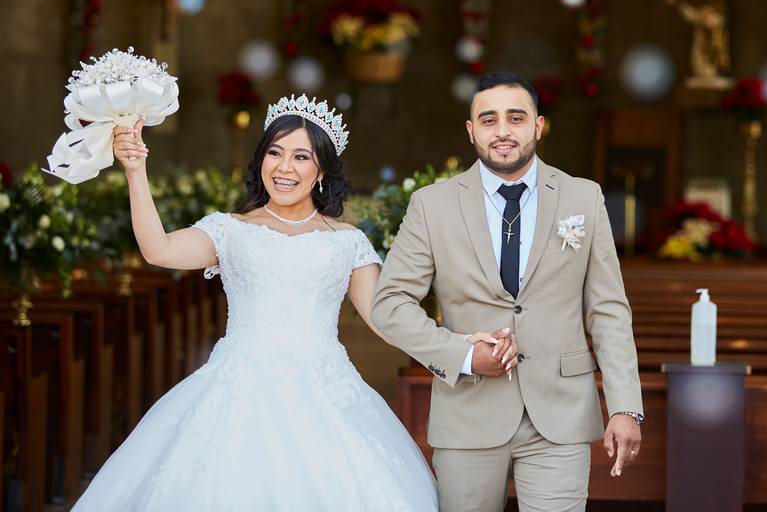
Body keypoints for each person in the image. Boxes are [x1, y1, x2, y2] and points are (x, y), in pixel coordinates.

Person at [73, 94, 515, 511]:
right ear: (261, 159)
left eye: (301, 156)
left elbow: (388, 319)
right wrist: (135, 171)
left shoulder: (347, 242)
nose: (285, 167)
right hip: (235, 391)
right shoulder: (230, 230)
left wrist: (458, 343)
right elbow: (159, 250)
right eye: (275, 153)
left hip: (328, 395)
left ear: (321, 171)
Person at [371, 71, 644, 512]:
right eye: (488, 119)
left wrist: (625, 406)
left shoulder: (583, 197)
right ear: (471, 130)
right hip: (468, 415)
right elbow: (390, 305)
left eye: (516, 118)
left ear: (538, 126)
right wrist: (461, 355)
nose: (502, 131)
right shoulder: (432, 204)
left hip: (561, 418)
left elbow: (608, 312)